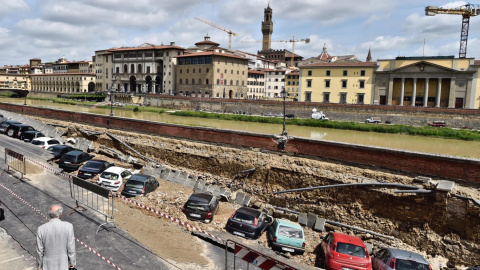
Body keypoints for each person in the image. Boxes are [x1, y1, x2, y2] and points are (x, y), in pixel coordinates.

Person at [36, 204, 76, 270]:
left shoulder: (41, 229)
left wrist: (39, 266)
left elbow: (39, 250)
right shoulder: (68, 226)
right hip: (63, 264)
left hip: (48, 265)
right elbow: (71, 248)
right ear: (60, 214)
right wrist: (72, 263)